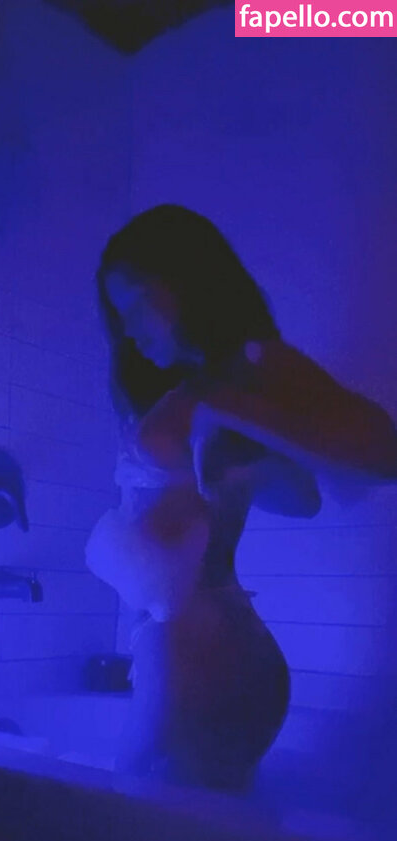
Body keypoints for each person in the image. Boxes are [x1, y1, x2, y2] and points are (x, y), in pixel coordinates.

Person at [86, 204, 396, 794]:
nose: (128, 330)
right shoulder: (189, 386)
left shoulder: (254, 365)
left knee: (145, 834)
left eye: (137, 304)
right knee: (168, 834)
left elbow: (383, 452)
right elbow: (298, 496)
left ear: (189, 280)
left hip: (206, 652)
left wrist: (225, 408)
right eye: (119, 316)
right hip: (200, 644)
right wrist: (237, 454)